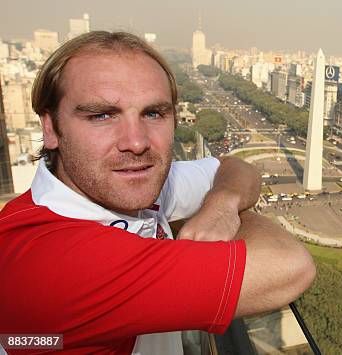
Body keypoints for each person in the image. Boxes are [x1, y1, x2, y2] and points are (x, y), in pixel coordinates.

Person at [0, 31, 315, 354]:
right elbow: (290, 266)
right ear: (50, 128)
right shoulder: (55, 265)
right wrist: (228, 210)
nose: (136, 143)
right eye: (102, 115)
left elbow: (236, 168)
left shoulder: (123, 182)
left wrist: (222, 205)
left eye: (153, 113)